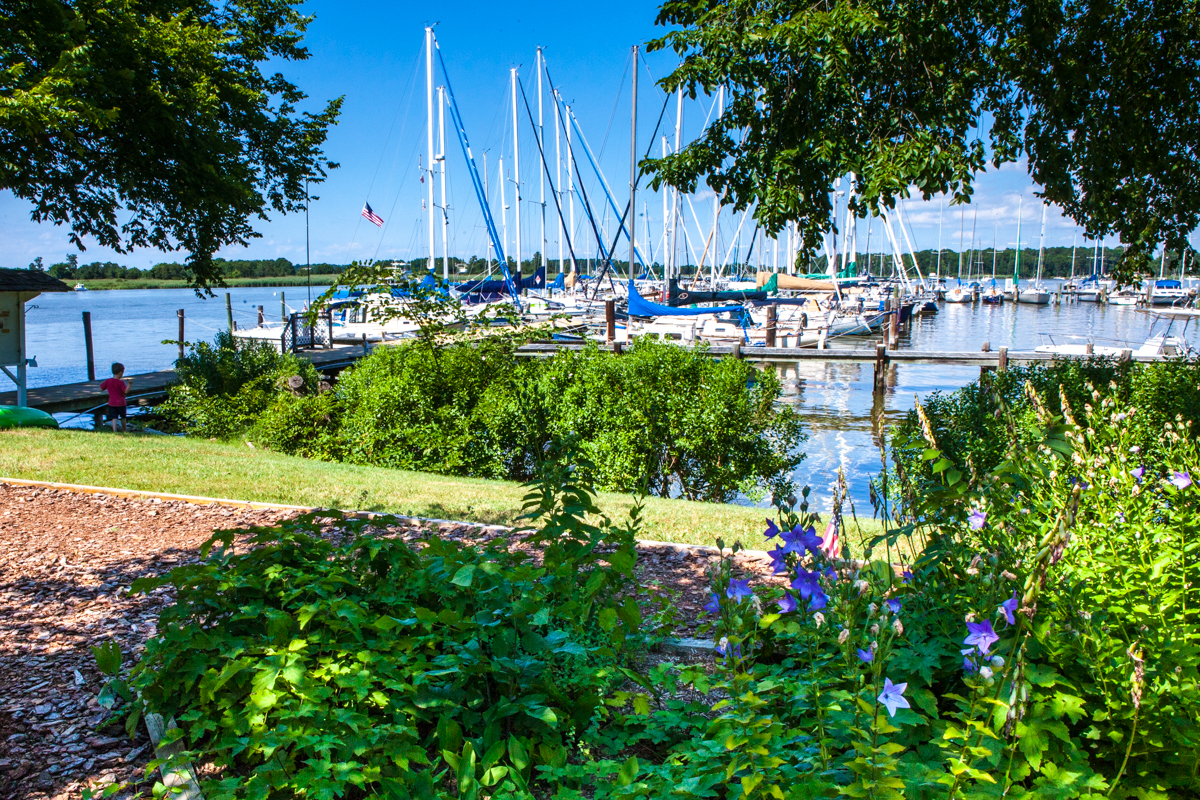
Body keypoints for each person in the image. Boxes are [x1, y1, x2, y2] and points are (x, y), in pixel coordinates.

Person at [99, 363, 132, 432]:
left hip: (111, 403)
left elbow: (101, 388)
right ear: (120, 372)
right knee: (123, 417)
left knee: (114, 418)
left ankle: (115, 430)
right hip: (121, 403)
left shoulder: (108, 381)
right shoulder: (120, 382)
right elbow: (126, 391)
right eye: (122, 372)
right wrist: (130, 384)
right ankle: (124, 430)